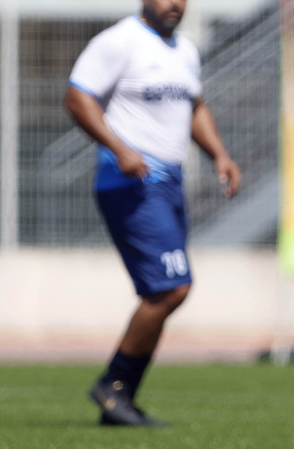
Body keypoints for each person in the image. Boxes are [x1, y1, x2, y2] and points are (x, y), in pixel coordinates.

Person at [64, 0, 241, 427]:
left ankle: (120, 397)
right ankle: (113, 385)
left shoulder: (185, 50)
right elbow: (77, 98)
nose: (176, 3)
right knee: (171, 288)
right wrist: (120, 148)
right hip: (132, 184)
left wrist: (219, 153)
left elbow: (194, 106)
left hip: (169, 184)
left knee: (162, 291)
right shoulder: (118, 42)